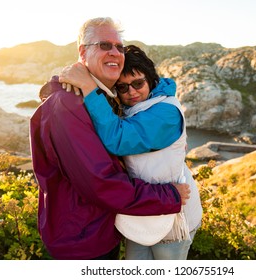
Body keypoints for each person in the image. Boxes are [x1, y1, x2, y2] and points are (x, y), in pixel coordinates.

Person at [30, 17, 190, 260]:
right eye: (105, 45)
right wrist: (169, 196)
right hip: (83, 241)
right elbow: (102, 183)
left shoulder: (99, 98)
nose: (115, 52)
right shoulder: (68, 105)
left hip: (101, 229)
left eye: (119, 47)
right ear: (83, 52)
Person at [59, 45, 202, 260]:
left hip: (174, 215)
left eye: (138, 83)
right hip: (143, 209)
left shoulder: (166, 111)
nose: (132, 92)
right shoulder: (133, 106)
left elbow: (119, 139)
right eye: (123, 88)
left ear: (151, 79)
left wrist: (89, 88)